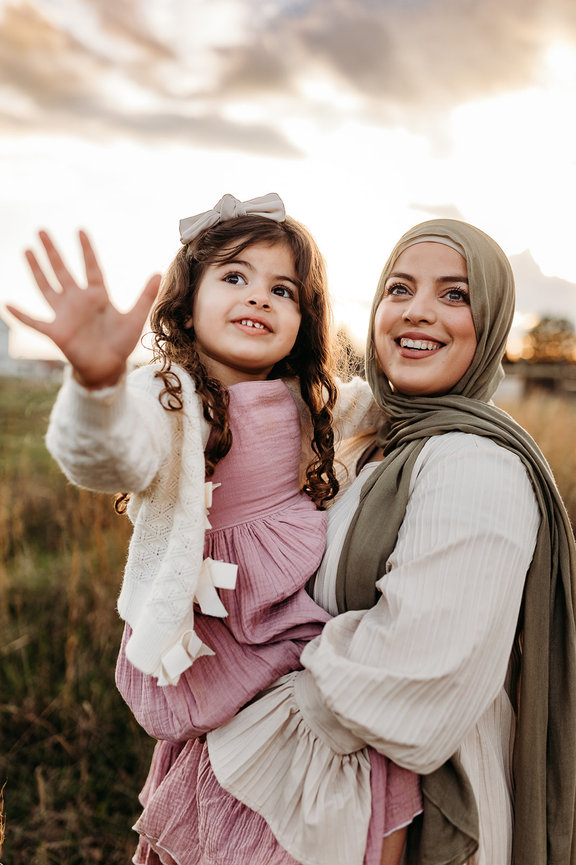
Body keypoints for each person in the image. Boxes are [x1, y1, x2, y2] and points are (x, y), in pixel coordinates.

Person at [7, 194, 422, 865]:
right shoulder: (167, 395)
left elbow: (387, 404)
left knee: (361, 757)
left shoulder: (310, 398)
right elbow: (110, 453)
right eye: (234, 276)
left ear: (304, 319)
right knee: (221, 787)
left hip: (291, 644)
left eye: (281, 289)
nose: (258, 296)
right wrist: (95, 383)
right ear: (186, 301)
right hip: (216, 642)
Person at [186, 218, 575, 865]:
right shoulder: (375, 439)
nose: (417, 311)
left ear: (494, 322)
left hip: (422, 821)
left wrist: (242, 701)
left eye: (455, 294)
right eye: (400, 288)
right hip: (329, 803)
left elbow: (412, 672)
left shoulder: (476, 467)